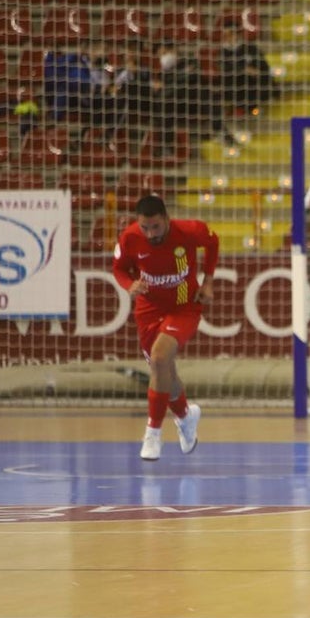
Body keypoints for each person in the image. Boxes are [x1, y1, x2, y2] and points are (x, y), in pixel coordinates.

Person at [112, 195, 220, 460]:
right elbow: (119, 268)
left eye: (156, 227)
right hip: (148, 311)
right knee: (163, 369)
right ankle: (185, 416)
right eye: (145, 228)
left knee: (160, 358)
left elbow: (213, 242)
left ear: (167, 220)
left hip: (184, 306)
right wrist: (129, 285)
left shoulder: (190, 230)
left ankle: (153, 432)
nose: (150, 234)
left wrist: (208, 281)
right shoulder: (129, 238)